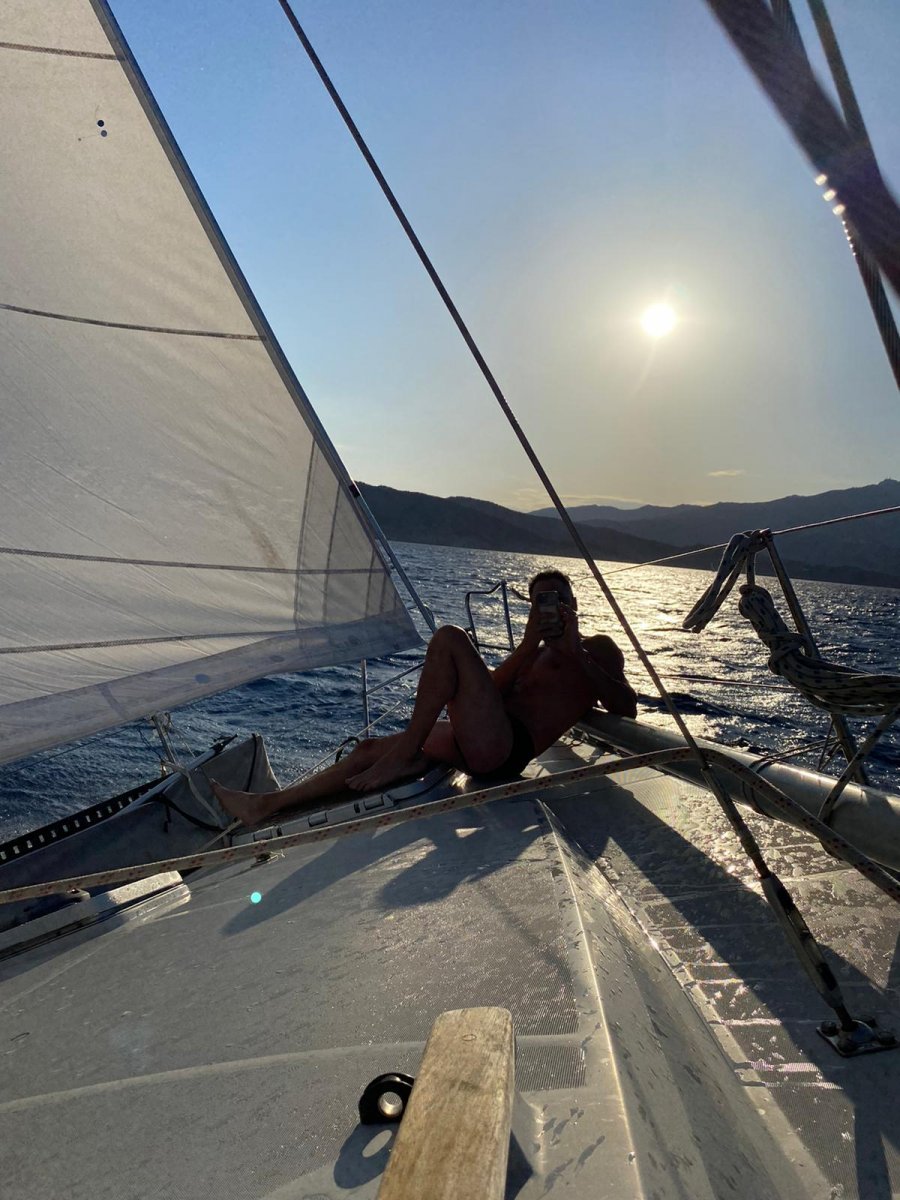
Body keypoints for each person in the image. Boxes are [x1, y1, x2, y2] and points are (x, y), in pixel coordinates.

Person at [212, 568, 637, 827]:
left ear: (573, 603)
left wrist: (576, 654)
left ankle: (405, 755)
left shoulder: (598, 648)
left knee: (450, 638)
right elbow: (488, 691)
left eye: (557, 600)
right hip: (481, 736)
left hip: (506, 751)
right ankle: (265, 805)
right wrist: (526, 649)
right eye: (539, 602)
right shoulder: (533, 652)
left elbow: (626, 707)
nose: (549, 607)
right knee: (368, 749)